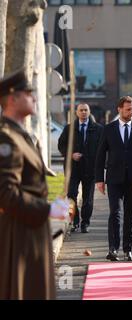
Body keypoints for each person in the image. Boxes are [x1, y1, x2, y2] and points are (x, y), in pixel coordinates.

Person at [0, 69, 70, 299]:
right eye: (28, 93)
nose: (34, 98)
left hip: (32, 229)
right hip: (19, 233)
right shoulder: (6, 138)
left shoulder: (22, 135)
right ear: (12, 98)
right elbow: (6, 194)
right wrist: (48, 208)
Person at [95, 96, 132, 262]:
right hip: (114, 178)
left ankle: (128, 249)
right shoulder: (109, 129)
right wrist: (99, 179)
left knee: (130, 215)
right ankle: (112, 249)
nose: (131, 112)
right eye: (128, 109)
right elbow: (100, 155)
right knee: (115, 213)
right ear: (119, 109)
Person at [58, 103, 103, 233]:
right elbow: (61, 146)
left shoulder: (98, 129)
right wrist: (71, 154)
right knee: (71, 194)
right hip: (73, 168)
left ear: (89, 112)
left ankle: (85, 223)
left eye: (85, 110)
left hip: (90, 168)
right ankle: (75, 221)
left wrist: (102, 165)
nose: (83, 112)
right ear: (76, 112)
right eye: (81, 110)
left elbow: (103, 149)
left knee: (88, 198)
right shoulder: (69, 129)